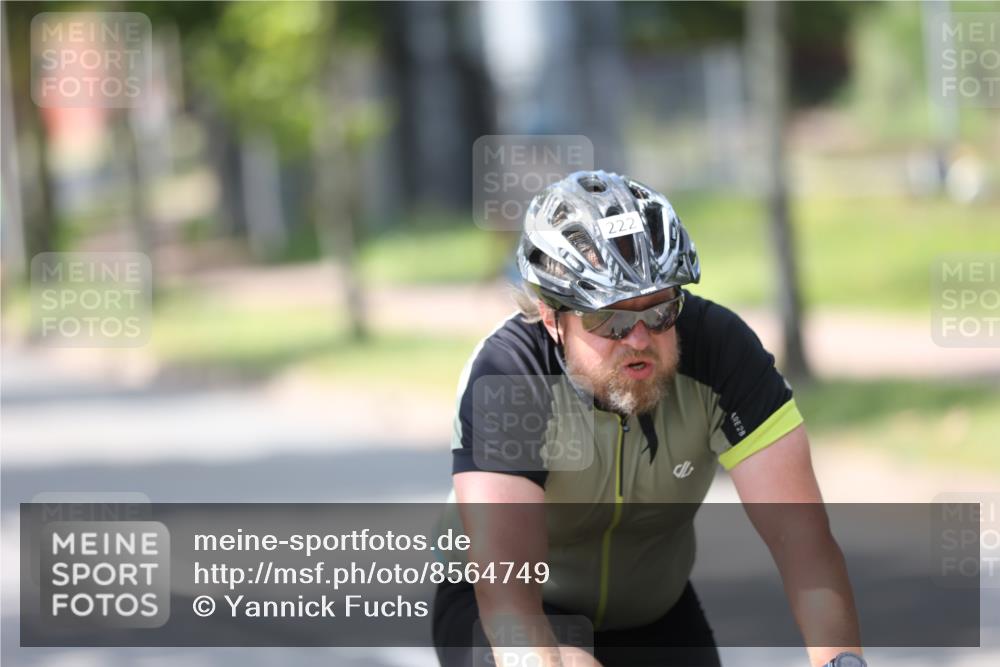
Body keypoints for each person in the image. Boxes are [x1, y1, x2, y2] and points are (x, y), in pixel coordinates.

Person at [432, 170, 864, 667]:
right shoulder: (510, 379)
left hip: (654, 615)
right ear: (552, 318)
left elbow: (806, 549)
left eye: (658, 311)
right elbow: (510, 605)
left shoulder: (721, 352)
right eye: (609, 318)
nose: (638, 338)